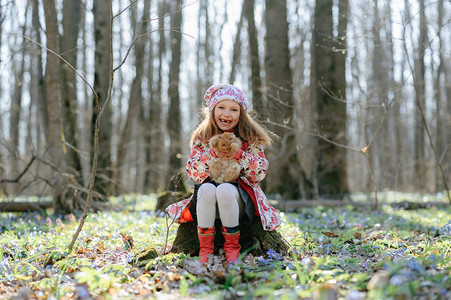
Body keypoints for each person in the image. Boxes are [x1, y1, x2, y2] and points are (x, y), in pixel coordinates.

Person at [166, 83, 281, 263]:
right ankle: (205, 250)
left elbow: (259, 173)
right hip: (207, 203)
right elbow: (194, 172)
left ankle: (232, 248)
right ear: (212, 110)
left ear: (241, 113)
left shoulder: (250, 137)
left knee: (225, 190)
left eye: (234, 109)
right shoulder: (202, 137)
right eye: (221, 107)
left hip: (239, 202)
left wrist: (240, 156)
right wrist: (211, 154)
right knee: (206, 189)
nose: (227, 114)